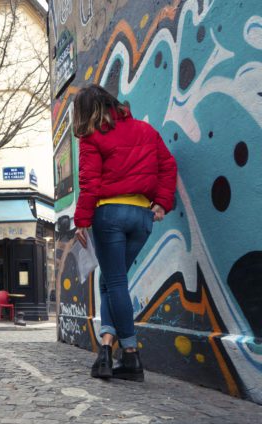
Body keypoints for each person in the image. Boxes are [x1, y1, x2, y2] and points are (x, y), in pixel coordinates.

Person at [73, 85, 177, 382]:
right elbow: (168, 166)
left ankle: (131, 354)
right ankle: (106, 349)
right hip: (142, 217)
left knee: (115, 281)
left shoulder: (91, 137)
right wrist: (161, 204)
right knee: (110, 280)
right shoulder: (146, 130)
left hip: (110, 216)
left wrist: (81, 220)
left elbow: (90, 182)